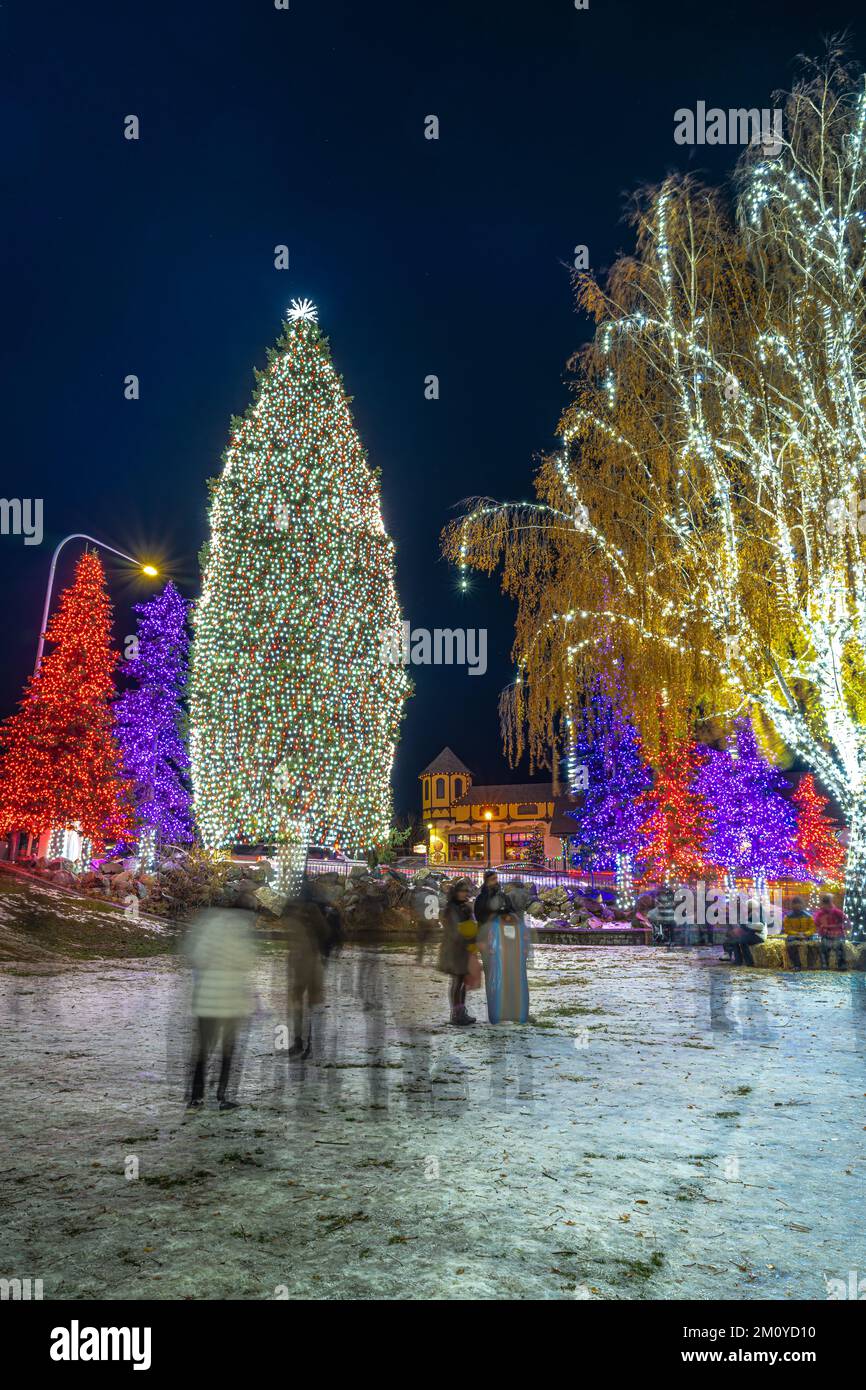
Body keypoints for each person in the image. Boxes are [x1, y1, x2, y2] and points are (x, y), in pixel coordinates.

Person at [186, 908, 257, 1112]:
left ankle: (196, 1097)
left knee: (202, 1049)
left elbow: (197, 955)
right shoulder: (241, 930)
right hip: (230, 1000)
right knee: (227, 1049)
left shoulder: (209, 924)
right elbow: (247, 961)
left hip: (207, 998)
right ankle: (222, 1095)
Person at [438, 879, 479, 1025]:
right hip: (455, 949)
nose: (464, 894)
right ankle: (456, 1014)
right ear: (456, 892)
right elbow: (455, 931)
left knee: (462, 981)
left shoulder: (464, 907)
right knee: (457, 981)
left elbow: (469, 924)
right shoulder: (451, 909)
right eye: (461, 891)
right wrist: (470, 936)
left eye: (466, 891)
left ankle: (461, 1012)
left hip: (463, 949)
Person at [814, 893, 848, 971]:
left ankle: (841, 964)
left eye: (829, 903)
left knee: (840, 947)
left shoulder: (837, 912)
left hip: (838, 935)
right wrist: (821, 929)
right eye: (827, 903)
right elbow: (817, 923)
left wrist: (841, 928)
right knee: (824, 948)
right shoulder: (820, 913)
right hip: (826, 935)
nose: (828, 906)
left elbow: (845, 921)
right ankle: (825, 964)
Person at [782, 896, 816, 972]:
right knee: (790, 945)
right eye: (795, 904)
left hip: (806, 936)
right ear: (792, 905)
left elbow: (812, 929)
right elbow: (787, 930)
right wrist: (797, 934)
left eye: (799, 904)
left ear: (802, 905)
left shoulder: (809, 916)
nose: (797, 906)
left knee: (812, 946)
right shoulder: (788, 917)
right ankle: (797, 965)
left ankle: (811, 965)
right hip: (794, 936)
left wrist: (805, 934)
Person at [729, 900, 766, 966]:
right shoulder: (749, 914)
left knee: (742, 941)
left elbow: (760, 926)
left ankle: (749, 962)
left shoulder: (755, 914)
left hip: (759, 935)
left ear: (750, 907)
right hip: (752, 934)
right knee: (735, 941)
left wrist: (746, 924)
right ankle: (738, 961)